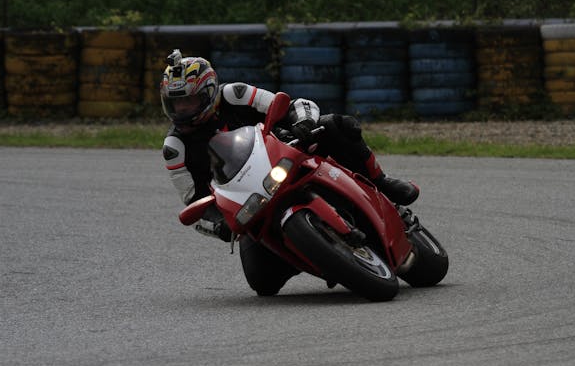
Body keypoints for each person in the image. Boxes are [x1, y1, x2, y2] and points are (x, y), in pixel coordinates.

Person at [160, 49, 419, 295]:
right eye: (176, 104)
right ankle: (308, 251)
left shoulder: (235, 94)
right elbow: (194, 203)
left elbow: (292, 104)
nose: (182, 110)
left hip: (288, 156)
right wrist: (218, 225)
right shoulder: (175, 147)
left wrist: (303, 122)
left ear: (209, 93)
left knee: (336, 125)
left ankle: (381, 182)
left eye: (189, 101)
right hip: (251, 202)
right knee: (263, 284)